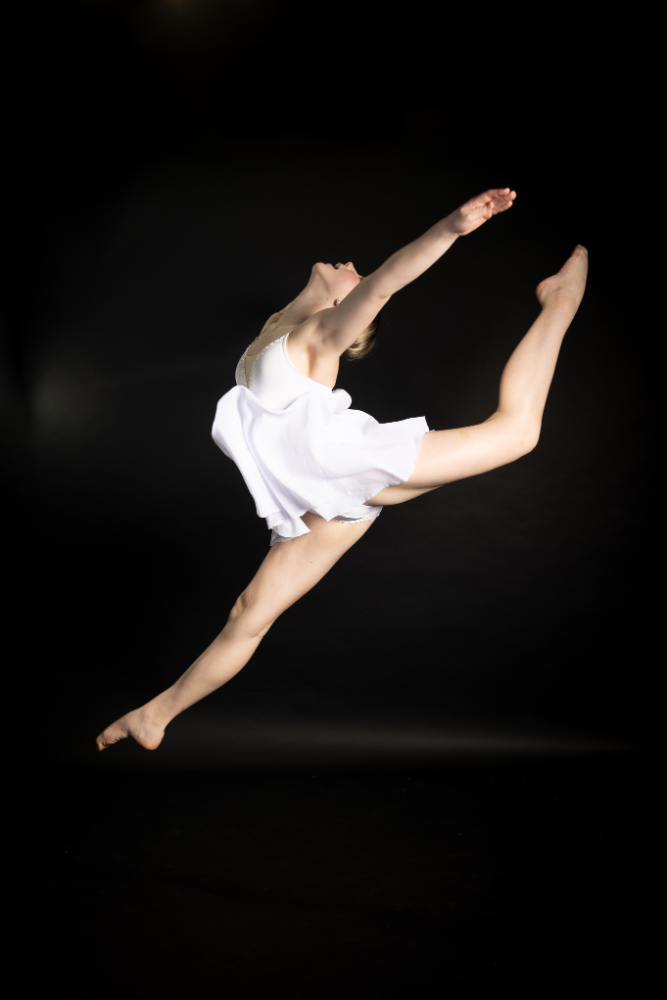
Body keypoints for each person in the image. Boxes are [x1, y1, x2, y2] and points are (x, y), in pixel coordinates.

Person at [96, 188, 588, 751]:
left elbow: (384, 282)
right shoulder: (281, 323)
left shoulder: (320, 336)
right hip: (321, 493)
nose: (352, 265)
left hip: (344, 462)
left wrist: (452, 226)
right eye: (352, 269)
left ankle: (561, 301)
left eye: (355, 276)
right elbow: (362, 288)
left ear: (344, 318)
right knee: (249, 614)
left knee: (518, 433)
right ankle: (155, 716)